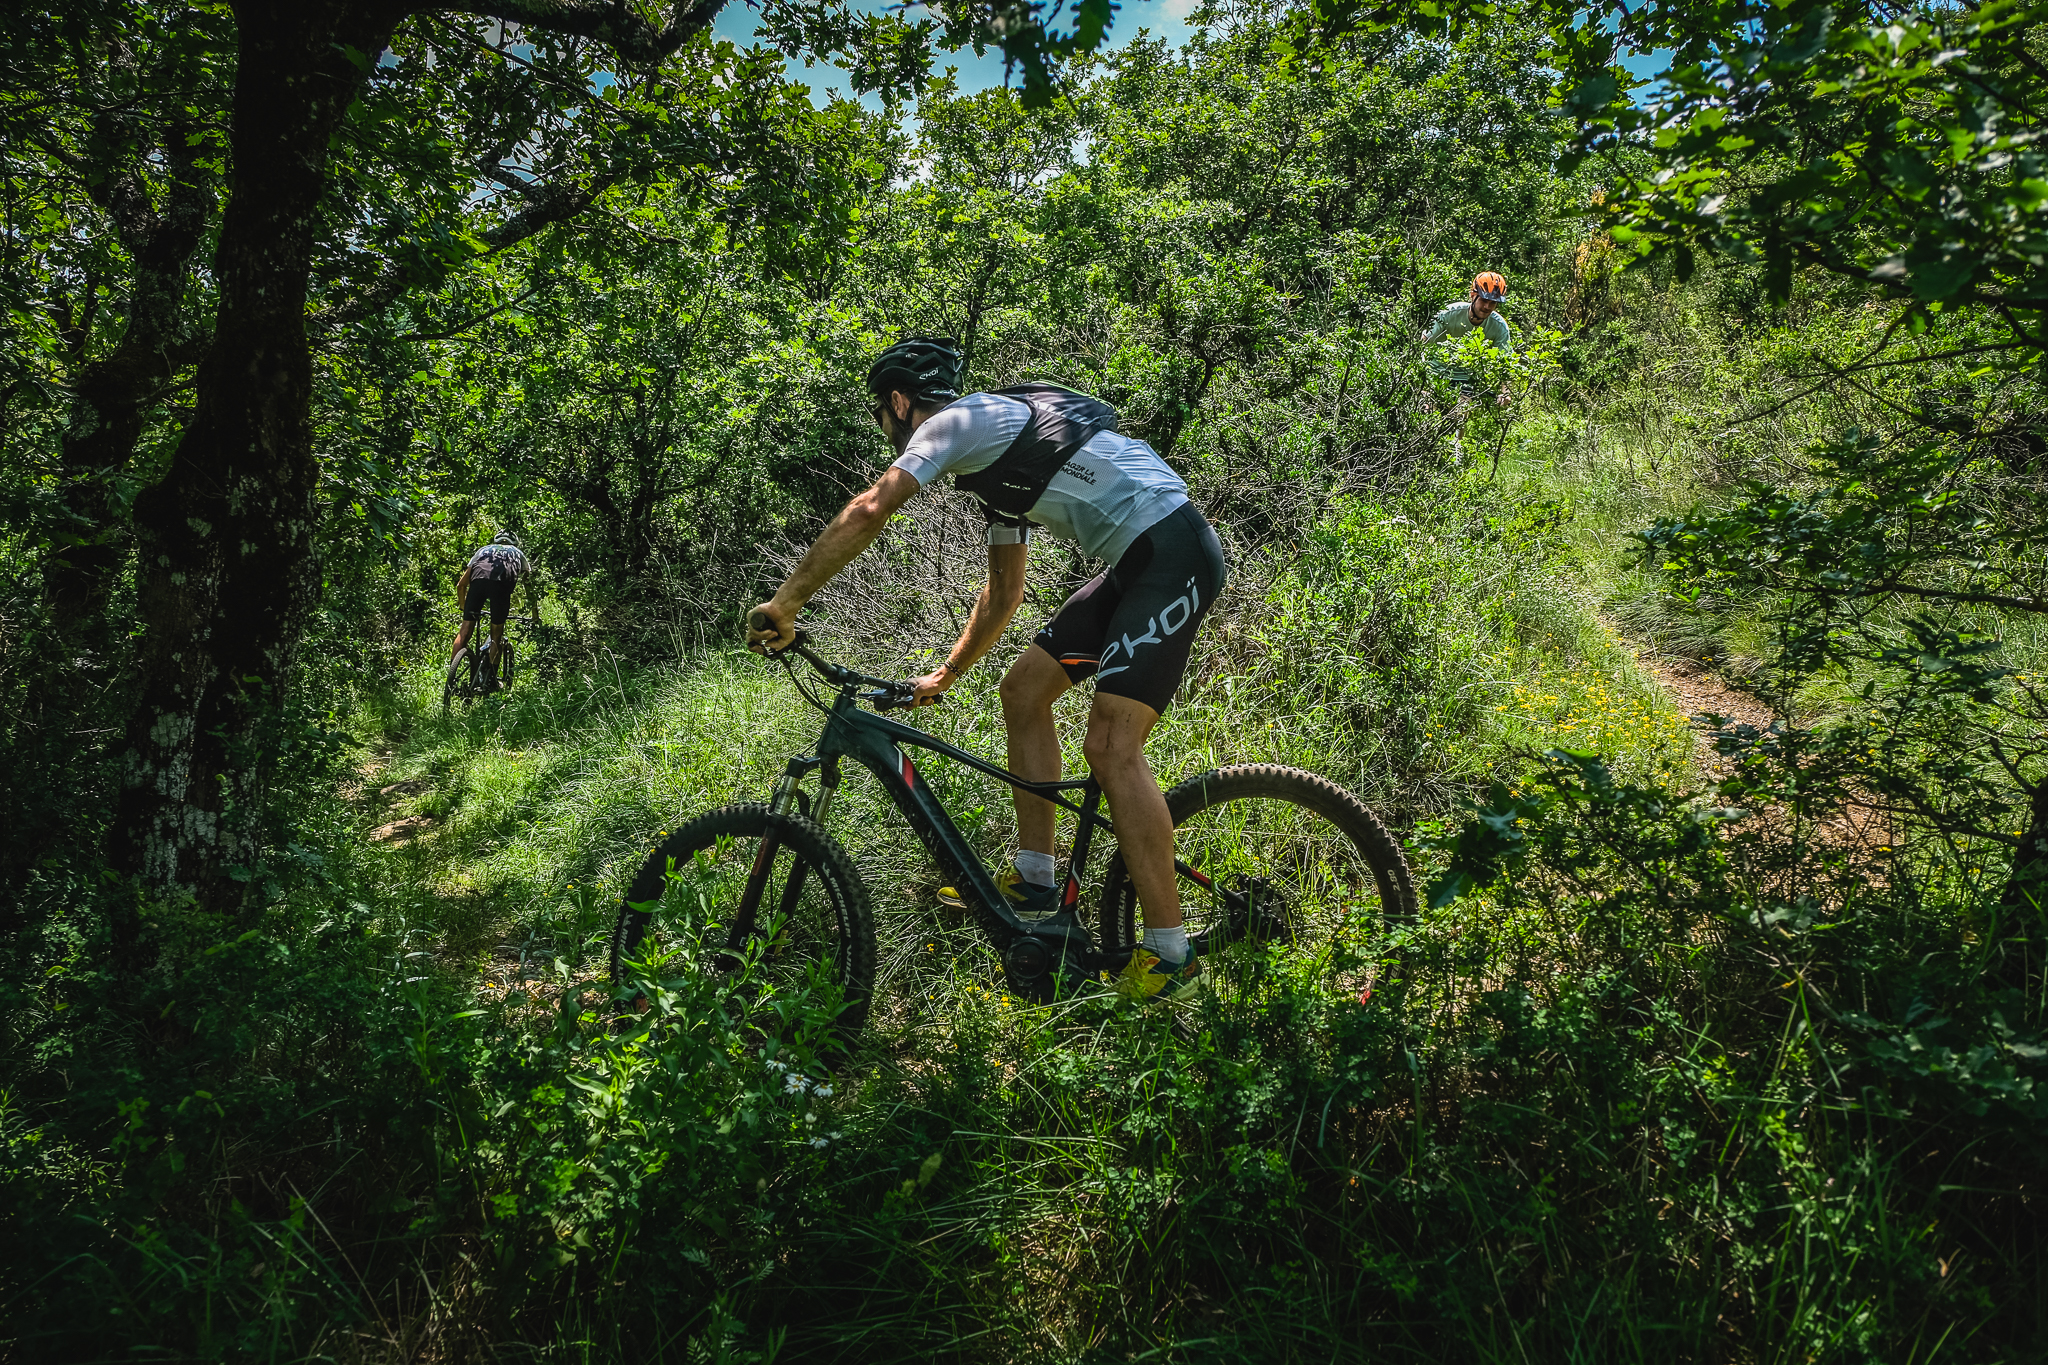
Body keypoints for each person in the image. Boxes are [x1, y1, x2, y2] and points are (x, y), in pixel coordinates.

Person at [746, 337, 1227, 1000]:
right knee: (1023, 690)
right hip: (1138, 560)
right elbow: (1004, 593)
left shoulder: (958, 423)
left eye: (882, 418)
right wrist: (943, 675)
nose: (887, 431)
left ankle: (1171, 954)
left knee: (1111, 745)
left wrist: (787, 600)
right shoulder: (996, 465)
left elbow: (870, 507)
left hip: (1172, 552)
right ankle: (1036, 879)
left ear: (898, 402)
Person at [450, 530, 532, 686]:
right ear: (514, 543)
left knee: (465, 631)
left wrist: (464, 607)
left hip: (478, 584)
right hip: (501, 587)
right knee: (496, 636)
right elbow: (530, 589)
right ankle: (491, 681)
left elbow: (461, 585)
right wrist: (534, 614)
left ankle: (452, 675)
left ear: (496, 541)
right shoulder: (518, 553)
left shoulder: (483, 551)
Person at [1423, 270, 1515, 403]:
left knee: (1460, 414)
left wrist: (1505, 393)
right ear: (1473, 296)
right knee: (1428, 409)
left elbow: (1506, 364)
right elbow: (1422, 344)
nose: (1487, 306)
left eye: (1493, 303)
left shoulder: (1499, 326)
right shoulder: (1448, 314)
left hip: (1465, 381)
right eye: (1484, 300)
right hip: (1434, 375)